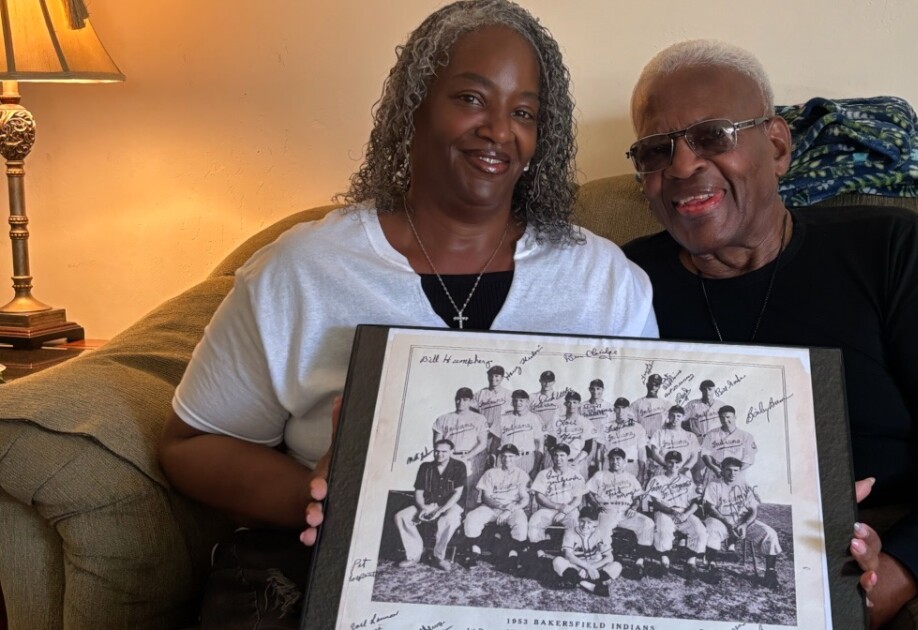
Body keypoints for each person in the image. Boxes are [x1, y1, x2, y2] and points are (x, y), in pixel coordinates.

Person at [158, 2, 656, 626]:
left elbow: (623, 442)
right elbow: (190, 443)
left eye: (523, 112)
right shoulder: (305, 270)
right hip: (331, 576)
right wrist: (315, 496)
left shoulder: (603, 280)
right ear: (413, 106)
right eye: (472, 98)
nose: (499, 130)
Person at [621, 39, 918, 629]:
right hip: (710, 540)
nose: (680, 166)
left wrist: (895, 572)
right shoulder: (622, 283)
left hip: (914, 542)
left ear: (776, 145)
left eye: (711, 136)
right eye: (656, 150)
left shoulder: (887, 248)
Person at [701, 457, 782, 589]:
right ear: (722, 470)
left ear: (739, 471)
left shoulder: (744, 486)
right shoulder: (714, 485)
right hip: (720, 520)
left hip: (741, 522)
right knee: (712, 530)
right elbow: (710, 508)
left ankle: (770, 572)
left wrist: (744, 524)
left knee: (770, 533)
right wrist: (727, 523)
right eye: (728, 470)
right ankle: (711, 567)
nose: (732, 474)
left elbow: (753, 510)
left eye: (735, 470)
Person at [394, 439, 466, 571]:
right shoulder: (425, 467)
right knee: (402, 516)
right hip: (428, 503)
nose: (440, 454)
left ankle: (439, 557)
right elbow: (419, 492)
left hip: (450, 505)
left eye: (444, 452)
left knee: (451, 519)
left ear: (451, 452)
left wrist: (440, 510)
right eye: (437, 451)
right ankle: (413, 555)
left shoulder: (459, 466)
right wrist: (422, 507)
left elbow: (457, 494)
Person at [586, 448, 656, 577]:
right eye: (612, 459)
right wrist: (596, 506)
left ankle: (639, 561)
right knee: (603, 532)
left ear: (624, 462)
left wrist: (634, 508)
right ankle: (604, 562)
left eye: (618, 459)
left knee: (648, 523)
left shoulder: (630, 477)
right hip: (608, 510)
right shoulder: (600, 475)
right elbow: (588, 492)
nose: (615, 461)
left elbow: (637, 497)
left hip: (625, 511)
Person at [463, 444, 531, 572]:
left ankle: (513, 556)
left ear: (517, 457)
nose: (507, 460)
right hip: (491, 507)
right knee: (471, 518)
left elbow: (525, 498)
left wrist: (508, 510)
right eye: (504, 456)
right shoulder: (491, 473)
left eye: (511, 457)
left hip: (512, 508)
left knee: (521, 522)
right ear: (500, 458)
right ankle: (473, 551)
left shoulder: (522, 475)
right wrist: (500, 507)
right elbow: (486, 497)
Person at [644, 450, 706, 578]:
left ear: (680, 464)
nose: (673, 466)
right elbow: (655, 502)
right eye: (670, 462)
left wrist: (686, 514)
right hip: (665, 511)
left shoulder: (687, 481)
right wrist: (672, 511)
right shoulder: (657, 479)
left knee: (700, 531)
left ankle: (691, 562)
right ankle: (664, 560)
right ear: (665, 463)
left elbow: (695, 502)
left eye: (677, 463)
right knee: (663, 530)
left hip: (683, 512)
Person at [526, 443, 587, 570]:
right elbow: (540, 497)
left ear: (567, 456)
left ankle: (569, 555)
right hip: (548, 509)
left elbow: (578, 500)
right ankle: (539, 554)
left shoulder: (576, 475)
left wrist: (565, 511)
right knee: (534, 521)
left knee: (575, 523)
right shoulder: (543, 474)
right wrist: (558, 507)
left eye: (562, 455)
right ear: (552, 457)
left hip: (569, 510)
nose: (558, 459)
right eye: (555, 455)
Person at [432, 387, 490, 508]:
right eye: (458, 399)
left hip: (471, 458)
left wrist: (467, 456)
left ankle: (467, 521)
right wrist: (448, 456)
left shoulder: (479, 418)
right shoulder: (443, 418)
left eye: (465, 399)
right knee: (448, 490)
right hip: (449, 458)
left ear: (470, 401)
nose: (461, 402)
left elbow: (483, 443)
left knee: (470, 490)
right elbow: (437, 443)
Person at [552, 506, 621, 597]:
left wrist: (592, 567)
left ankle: (577, 581)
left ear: (596, 523)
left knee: (617, 566)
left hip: (596, 566)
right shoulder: (570, 532)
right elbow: (568, 555)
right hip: (577, 566)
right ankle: (591, 584)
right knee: (558, 561)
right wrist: (586, 568)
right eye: (582, 521)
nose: (585, 525)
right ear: (578, 519)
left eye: (589, 522)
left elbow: (609, 557)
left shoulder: (600, 533)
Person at [698, 405, 757, 485]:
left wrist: (734, 472)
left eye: (728, 417)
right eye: (722, 418)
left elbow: (749, 458)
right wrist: (714, 468)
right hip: (716, 473)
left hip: (737, 475)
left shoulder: (746, 436)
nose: (725, 420)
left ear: (734, 417)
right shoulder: (711, 434)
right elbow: (705, 454)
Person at [491, 389, 544, 475]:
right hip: (505, 458)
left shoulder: (534, 418)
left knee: (526, 486)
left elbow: (540, 445)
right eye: (515, 400)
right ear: (512, 402)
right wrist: (493, 460)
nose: (518, 403)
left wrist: (536, 467)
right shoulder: (502, 418)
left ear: (527, 402)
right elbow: (495, 442)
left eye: (521, 401)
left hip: (526, 458)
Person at [544, 389, 595, 473]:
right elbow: (550, 443)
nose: (571, 405)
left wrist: (576, 461)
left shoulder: (586, 422)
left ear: (579, 404)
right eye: (569, 402)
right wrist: (559, 460)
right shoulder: (555, 419)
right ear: (565, 403)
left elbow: (588, 447)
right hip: (558, 460)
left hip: (577, 461)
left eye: (575, 402)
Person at [596, 397, 647, 480]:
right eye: (618, 408)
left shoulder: (637, 427)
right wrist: (599, 470)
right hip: (610, 466)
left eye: (623, 408)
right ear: (614, 410)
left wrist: (641, 473)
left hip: (631, 466)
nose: (620, 411)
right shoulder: (605, 427)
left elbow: (642, 452)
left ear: (628, 409)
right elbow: (600, 451)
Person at [645, 405, 699, 482]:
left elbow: (694, 457)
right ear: (668, 417)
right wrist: (668, 467)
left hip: (683, 472)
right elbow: (655, 454)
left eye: (678, 416)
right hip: (664, 471)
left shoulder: (690, 436)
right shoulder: (659, 433)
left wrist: (684, 469)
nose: (675, 419)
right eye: (672, 416)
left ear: (683, 417)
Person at [631, 373, 671, 438]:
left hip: (660, 439)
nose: (653, 387)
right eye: (651, 384)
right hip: (643, 439)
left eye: (656, 385)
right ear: (647, 385)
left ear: (659, 387)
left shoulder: (666, 404)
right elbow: (632, 425)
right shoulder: (636, 404)